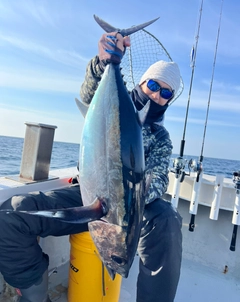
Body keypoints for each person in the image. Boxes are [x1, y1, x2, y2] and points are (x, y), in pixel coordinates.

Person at [0, 31, 182, 302]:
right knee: (9, 217)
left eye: (166, 92)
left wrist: (124, 206)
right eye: (153, 85)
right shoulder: (107, 101)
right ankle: (34, 296)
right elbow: (88, 94)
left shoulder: (160, 137)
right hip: (88, 192)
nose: (157, 95)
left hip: (129, 207)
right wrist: (104, 62)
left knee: (167, 218)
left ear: (169, 100)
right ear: (142, 82)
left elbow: (157, 179)